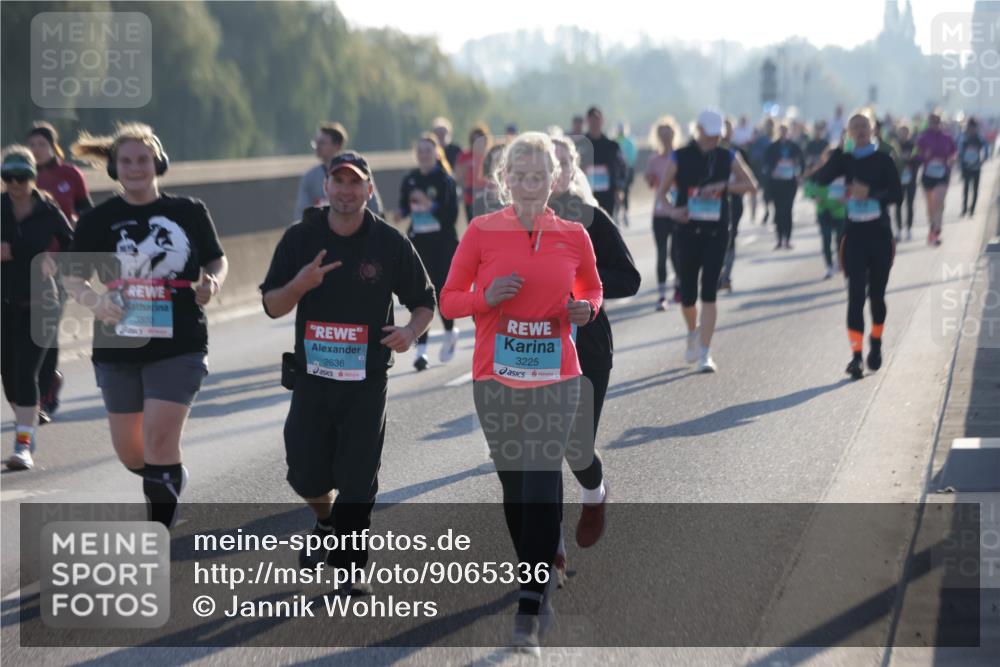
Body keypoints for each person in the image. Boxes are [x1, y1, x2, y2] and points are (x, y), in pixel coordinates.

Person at [440, 131, 603, 655]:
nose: (530, 186)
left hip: (555, 378)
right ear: (504, 181)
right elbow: (448, 301)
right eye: (521, 177)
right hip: (495, 379)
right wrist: (484, 297)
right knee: (514, 490)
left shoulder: (574, 234)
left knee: (540, 482)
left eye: (540, 178)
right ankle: (534, 572)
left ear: (554, 180)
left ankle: (530, 605)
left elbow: (592, 288)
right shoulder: (482, 232)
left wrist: (586, 308)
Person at [261, 151, 435, 591]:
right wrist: (300, 284)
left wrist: (411, 332)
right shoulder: (301, 238)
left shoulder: (389, 242)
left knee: (358, 478)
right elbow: (271, 305)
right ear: (326, 187)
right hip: (312, 378)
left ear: (369, 190)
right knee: (305, 471)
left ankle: (351, 569)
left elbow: (425, 300)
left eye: (355, 182)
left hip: (365, 381)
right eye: (338, 181)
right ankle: (325, 519)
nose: (346, 190)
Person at [64, 123, 228, 527]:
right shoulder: (99, 219)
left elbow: (216, 260)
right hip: (118, 343)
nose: (136, 167)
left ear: (158, 163)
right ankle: (167, 477)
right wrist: (96, 301)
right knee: (131, 453)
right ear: (115, 168)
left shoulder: (188, 211)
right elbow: (72, 276)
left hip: (180, 341)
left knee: (158, 438)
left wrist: (213, 283)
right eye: (127, 161)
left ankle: (158, 525)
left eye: (143, 159)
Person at [549, 134, 639, 581]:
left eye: (561, 162)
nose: (553, 170)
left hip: (586, 346)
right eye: (544, 162)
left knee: (574, 446)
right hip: (532, 349)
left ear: (572, 169)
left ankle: (595, 493)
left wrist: (584, 284)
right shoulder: (510, 225)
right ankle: (551, 549)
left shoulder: (591, 219)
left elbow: (630, 278)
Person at [654, 109, 757, 373]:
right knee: (688, 295)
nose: (713, 140)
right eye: (709, 135)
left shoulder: (727, 156)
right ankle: (692, 332)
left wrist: (722, 187)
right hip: (686, 232)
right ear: (699, 130)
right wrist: (674, 211)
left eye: (717, 136)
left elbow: (751, 185)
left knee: (709, 292)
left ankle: (705, 352)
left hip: (716, 232)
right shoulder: (680, 156)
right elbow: (661, 196)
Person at [811, 112, 903, 379]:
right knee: (854, 297)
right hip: (854, 237)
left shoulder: (884, 159)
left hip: (881, 236)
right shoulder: (845, 160)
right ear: (849, 133)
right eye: (855, 128)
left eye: (864, 126)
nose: (861, 130)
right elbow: (820, 180)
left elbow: (898, 195)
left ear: (872, 129)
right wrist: (839, 153)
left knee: (877, 296)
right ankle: (856, 356)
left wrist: (871, 193)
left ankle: (876, 341)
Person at [1, 147, 73, 470]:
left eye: (22, 177)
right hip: (4, 304)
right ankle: (27, 427)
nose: (15, 183)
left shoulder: (48, 210)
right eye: (8, 177)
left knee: (25, 373)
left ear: (33, 176)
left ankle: (23, 444)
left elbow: (75, 244)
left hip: (40, 303)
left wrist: (53, 260)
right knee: (9, 379)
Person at [27, 121, 92, 421]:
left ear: (53, 147)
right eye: (32, 145)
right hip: (26, 264)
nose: (36, 150)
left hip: (62, 259)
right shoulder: (21, 179)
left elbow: (87, 212)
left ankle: (43, 393)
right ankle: (49, 376)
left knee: (48, 324)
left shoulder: (69, 175)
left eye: (41, 144)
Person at [397, 134, 460, 369]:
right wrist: (402, 212)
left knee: (442, 291)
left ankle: (450, 331)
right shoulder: (410, 179)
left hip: (442, 243)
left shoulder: (445, 180)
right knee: (422, 293)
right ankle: (421, 352)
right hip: (419, 242)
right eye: (420, 150)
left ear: (436, 153)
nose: (424, 154)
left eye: (428, 150)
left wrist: (428, 204)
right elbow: (404, 206)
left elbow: (451, 216)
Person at [294, 122, 382, 221]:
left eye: (322, 143)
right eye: (316, 142)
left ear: (337, 145)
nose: (317, 147)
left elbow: (375, 208)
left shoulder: (360, 171)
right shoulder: (309, 177)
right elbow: (301, 213)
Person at [646, 116, 683, 309]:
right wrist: (650, 179)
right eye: (662, 134)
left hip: (676, 211)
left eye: (668, 133)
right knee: (661, 253)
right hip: (659, 213)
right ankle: (662, 294)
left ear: (674, 134)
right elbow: (651, 183)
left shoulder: (680, 157)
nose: (665, 137)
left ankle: (678, 286)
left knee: (676, 252)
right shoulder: (653, 160)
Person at [804, 145, 847, 279]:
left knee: (840, 239)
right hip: (823, 210)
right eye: (829, 158)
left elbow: (853, 187)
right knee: (826, 238)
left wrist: (846, 197)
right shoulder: (818, 172)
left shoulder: (844, 172)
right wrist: (813, 196)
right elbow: (808, 186)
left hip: (840, 211)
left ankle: (840, 262)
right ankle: (829, 266)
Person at [718, 119, 751, 292]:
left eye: (728, 129)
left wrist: (731, 185)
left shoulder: (737, 152)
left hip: (734, 200)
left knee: (730, 238)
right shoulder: (708, 153)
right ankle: (717, 274)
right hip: (714, 202)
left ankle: (726, 276)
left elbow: (750, 181)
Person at [916, 111, 957, 246]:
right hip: (928, 175)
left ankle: (936, 230)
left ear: (941, 122)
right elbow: (916, 156)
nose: (935, 124)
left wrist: (952, 159)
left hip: (942, 173)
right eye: (932, 121)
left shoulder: (947, 137)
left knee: (939, 201)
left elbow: (953, 152)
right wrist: (924, 157)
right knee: (931, 206)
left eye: (937, 121)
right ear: (928, 123)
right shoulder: (922, 138)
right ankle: (932, 229)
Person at [581, 106, 627, 220]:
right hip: (585, 194)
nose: (594, 122)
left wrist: (619, 189)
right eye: (591, 119)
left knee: (606, 226)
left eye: (597, 118)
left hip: (608, 195)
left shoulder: (612, 146)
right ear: (587, 121)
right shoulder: (579, 145)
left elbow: (622, 168)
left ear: (602, 120)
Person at [764, 122, 805, 249]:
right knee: (777, 211)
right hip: (776, 183)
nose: (783, 133)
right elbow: (766, 164)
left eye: (785, 130)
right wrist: (774, 168)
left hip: (790, 183)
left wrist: (798, 172)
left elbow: (801, 162)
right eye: (781, 130)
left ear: (788, 132)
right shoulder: (772, 147)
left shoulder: (794, 146)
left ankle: (787, 239)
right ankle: (779, 239)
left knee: (788, 210)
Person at [454, 124, 491, 224]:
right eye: (474, 140)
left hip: (487, 198)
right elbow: (457, 177)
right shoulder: (464, 156)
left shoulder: (489, 156)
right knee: (473, 226)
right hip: (470, 197)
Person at [893, 125, 919, 240]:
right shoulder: (895, 146)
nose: (903, 135)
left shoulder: (913, 145)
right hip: (898, 180)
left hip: (911, 180)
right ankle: (898, 230)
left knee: (910, 204)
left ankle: (909, 229)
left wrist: (910, 158)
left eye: (905, 133)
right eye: (901, 133)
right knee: (898, 205)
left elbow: (918, 159)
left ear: (908, 134)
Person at [959, 117, 987, 217]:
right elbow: (960, 152)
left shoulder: (979, 139)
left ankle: (972, 209)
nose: (971, 129)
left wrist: (983, 159)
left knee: (975, 189)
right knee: (966, 188)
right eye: (970, 127)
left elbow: (985, 150)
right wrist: (961, 164)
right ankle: (964, 209)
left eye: (973, 128)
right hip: (966, 168)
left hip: (976, 168)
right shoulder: (964, 139)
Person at [613, 122, 638, 227]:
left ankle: (625, 214)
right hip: (617, 171)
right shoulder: (614, 141)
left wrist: (627, 164)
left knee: (626, 192)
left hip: (627, 170)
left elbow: (632, 156)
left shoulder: (629, 141)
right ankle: (617, 213)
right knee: (616, 193)